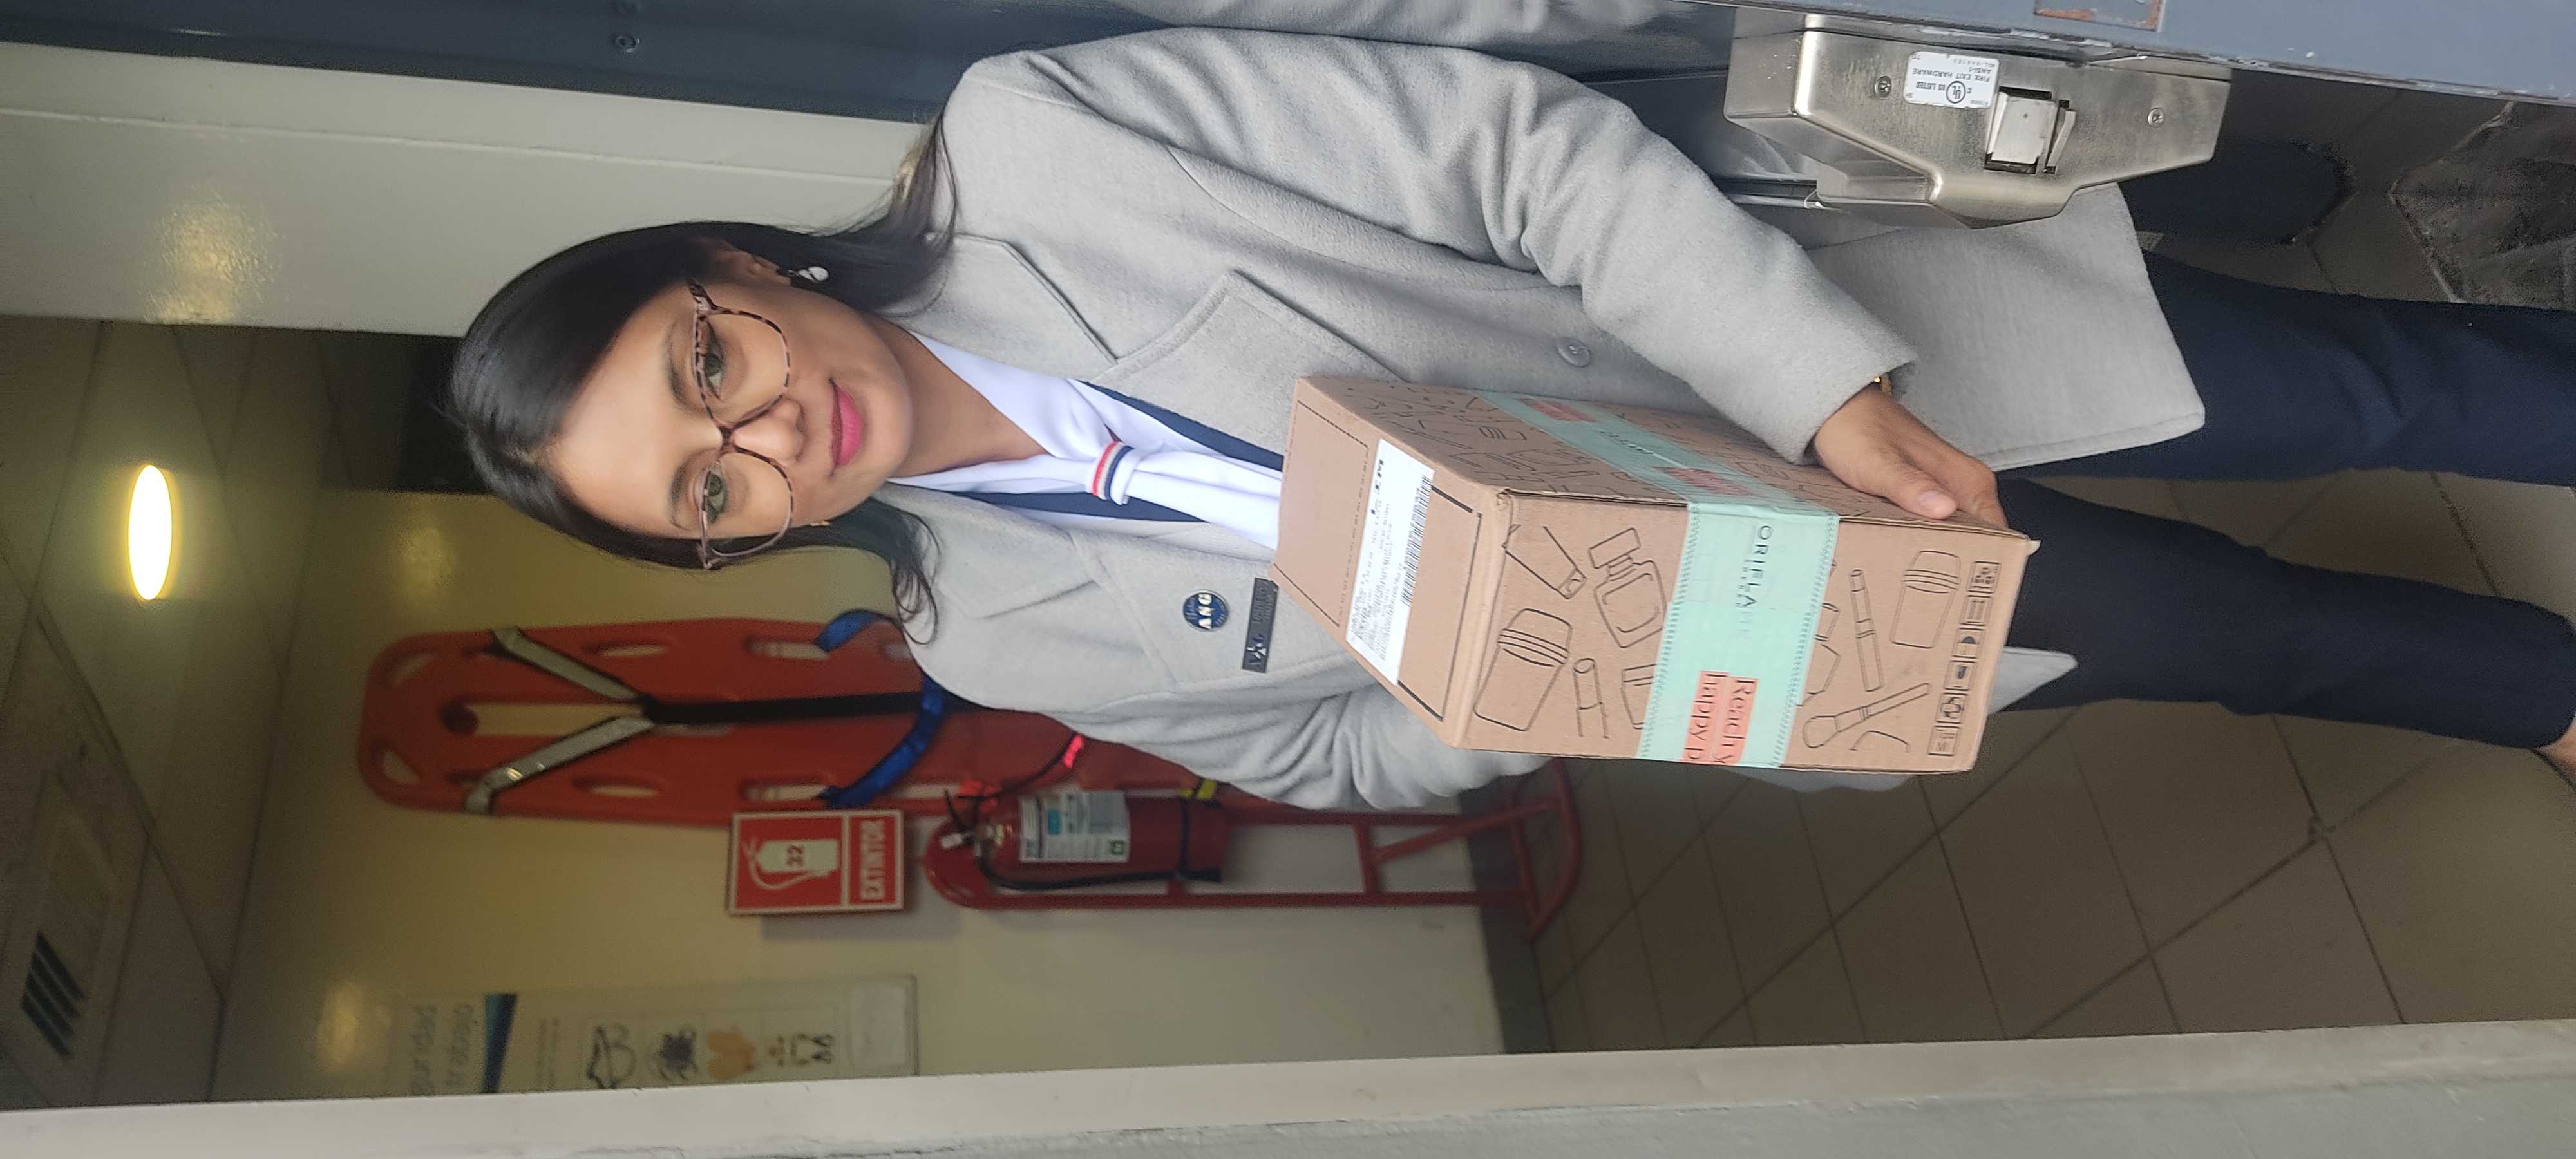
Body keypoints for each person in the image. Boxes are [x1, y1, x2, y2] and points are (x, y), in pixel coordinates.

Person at [447, 28, 2576, 809]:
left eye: (706, 369)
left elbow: (1510, 157)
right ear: (732, 540)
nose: (767, 438)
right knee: (2231, 638)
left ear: (733, 270)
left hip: (1853, 353)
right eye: (708, 493)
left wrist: (1822, 398)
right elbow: (1331, 759)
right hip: (1772, 615)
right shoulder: (993, 636)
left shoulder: (1041, 144)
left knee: (2363, 384)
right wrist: (1535, 667)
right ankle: (2539, 694)